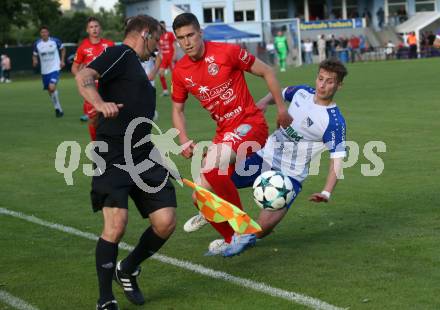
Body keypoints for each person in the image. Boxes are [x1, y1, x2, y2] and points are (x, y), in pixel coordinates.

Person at [75, 15, 177, 310]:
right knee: (116, 226)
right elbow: (84, 76)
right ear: (144, 33)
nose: (156, 48)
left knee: (166, 221)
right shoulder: (121, 53)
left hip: (144, 152)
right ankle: (105, 299)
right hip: (114, 153)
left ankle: (128, 268)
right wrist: (98, 103)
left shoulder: (135, 67)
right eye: (156, 40)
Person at [171, 13, 291, 255]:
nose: (187, 42)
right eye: (181, 38)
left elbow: (267, 71)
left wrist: (280, 107)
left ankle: (243, 229)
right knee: (200, 197)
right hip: (225, 132)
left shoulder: (227, 52)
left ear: (200, 32)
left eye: (191, 35)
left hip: (251, 124)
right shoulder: (180, 71)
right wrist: (183, 139)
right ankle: (231, 237)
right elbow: (177, 109)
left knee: (213, 165)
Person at [218, 59, 348, 256]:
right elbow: (281, 92)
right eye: (320, 78)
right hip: (263, 156)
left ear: (339, 85)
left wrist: (327, 192)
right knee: (218, 179)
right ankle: (210, 213)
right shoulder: (302, 92)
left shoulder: (334, 122)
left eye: (329, 81)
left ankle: (237, 238)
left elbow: (337, 160)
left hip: (290, 176)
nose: (322, 85)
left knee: (261, 230)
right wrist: (263, 102)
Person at [72, 17, 115, 140]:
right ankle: (96, 146)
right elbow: (74, 68)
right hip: (91, 88)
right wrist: (82, 81)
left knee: (112, 116)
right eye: (91, 27)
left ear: (100, 28)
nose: (94, 29)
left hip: (108, 87)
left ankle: (113, 146)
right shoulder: (83, 47)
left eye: (96, 26)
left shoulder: (110, 45)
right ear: (87, 30)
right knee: (94, 119)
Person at [32, 26, 65, 117]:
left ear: (48, 33)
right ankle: (58, 108)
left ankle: (58, 109)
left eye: (45, 32)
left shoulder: (55, 41)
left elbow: (62, 49)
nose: (44, 34)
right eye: (42, 32)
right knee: (50, 91)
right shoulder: (37, 44)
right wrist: (34, 60)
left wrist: (62, 61)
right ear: (40, 34)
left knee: (52, 87)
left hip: (55, 68)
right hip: (44, 71)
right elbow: (34, 55)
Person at [158, 21, 177, 96]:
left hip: (171, 57)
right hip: (163, 58)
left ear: (165, 26)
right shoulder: (159, 36)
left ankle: (175, 90)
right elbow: (158, 47)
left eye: (163, 26)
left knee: (175, 75)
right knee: (161, 73)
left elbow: (174, 45)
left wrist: (174, 55)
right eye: (161, 26)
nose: (162, 28)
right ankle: (165, 90)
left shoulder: (170, 34)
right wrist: (159, 54)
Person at [141, 51, 162, 120]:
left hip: (149, 76)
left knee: (148, 96)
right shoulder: (132, 46)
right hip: (137, 76)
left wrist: (154, 72)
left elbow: (158, 57)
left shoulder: (149, 46)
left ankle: (151, 113)